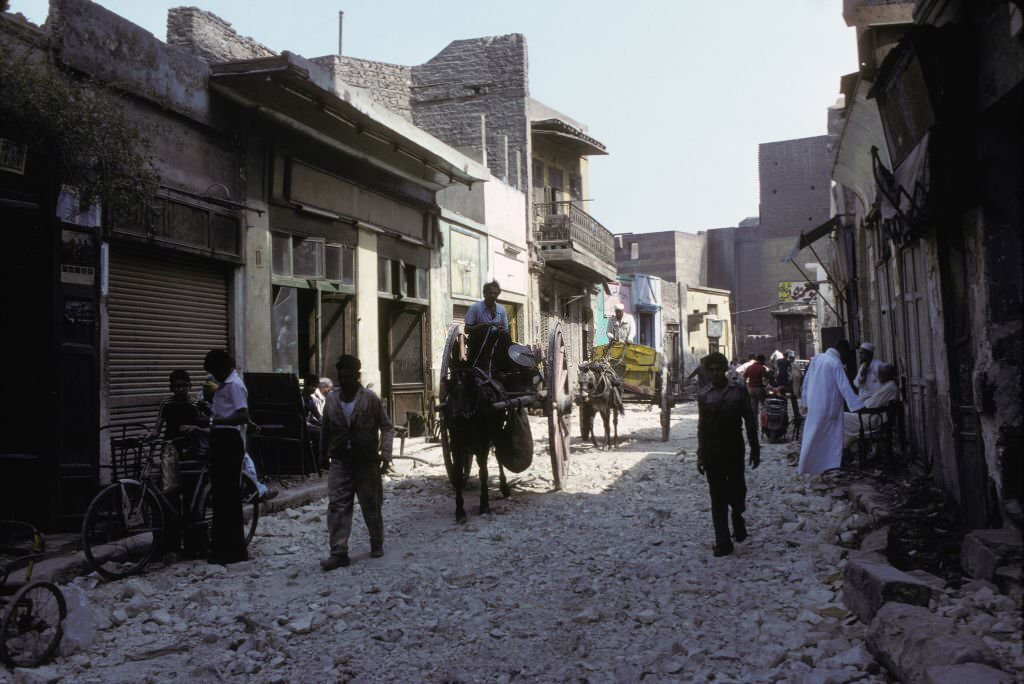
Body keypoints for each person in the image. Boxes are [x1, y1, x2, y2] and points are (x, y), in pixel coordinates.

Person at [321, 355, 395, 571]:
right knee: (337, 506)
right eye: (341, 377)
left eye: (348, 376)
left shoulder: (370, 399)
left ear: (357, 376)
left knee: (371, 504)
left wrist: (386, 454)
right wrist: (322, 454)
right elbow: (326, 429)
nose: (344, 381)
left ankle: (376, 542)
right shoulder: (331, 400)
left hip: (366, 461)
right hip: (340, 462)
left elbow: (387, 427)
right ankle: (338, 552)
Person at [696, 352, 760, 557]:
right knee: (717, 497)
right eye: (711, 370)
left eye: (718, 369)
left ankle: (738, 516)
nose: (715, 373)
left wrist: (755, 448)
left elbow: (749, 420)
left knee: (738, 490)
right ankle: (723, 542)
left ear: (724, 370)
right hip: (712, 452)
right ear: (707, 372)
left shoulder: (738, 391)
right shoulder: (704, 395)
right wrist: (700, 454)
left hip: (734, 449)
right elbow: (702, 427)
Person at [202, 349, 250, 564]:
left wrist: (214, 421)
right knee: (221, 497)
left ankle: (233, 551)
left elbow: (243, 415)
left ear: (222, 369)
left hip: (228, 441)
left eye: (215, 371)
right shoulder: (224, 385)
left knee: (228, 497)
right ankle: (222, 549)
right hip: (220, 439)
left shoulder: (234, 385)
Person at [797, 340, 865, 475]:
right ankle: (829, 467)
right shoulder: (835, 363)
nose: (847, 359)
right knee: (830, 439)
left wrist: (805, 402)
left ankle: (808, 466)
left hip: (815, 406)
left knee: (812, 437)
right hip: (828, 408)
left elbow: (806, 382)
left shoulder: (817, 359)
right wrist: (857, 406)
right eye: (847, 354)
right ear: (842, 351)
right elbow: (845, 387)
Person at [843, 363, 900, 448]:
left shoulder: (890, 387)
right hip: (873, 415)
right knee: (842, 419)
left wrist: (863, 404)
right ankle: (844, 447)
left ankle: (842, 447)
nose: (877, 376)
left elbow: (870, 405)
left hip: (873, 419)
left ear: (885, 375)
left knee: (841, 418)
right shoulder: (887, 385)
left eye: (879, 374)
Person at [742, 354, 771, 421]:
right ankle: (764, 422)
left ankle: (755, 424)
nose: (764, 362)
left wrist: (745, 386)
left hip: (750, 389)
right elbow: (765, 379)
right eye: (764, 361)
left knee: (754, 409)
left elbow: (744, 377)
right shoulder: (762, 368)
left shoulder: (749, 367)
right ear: (761, 360)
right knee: (763, 406)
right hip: (759, 389)